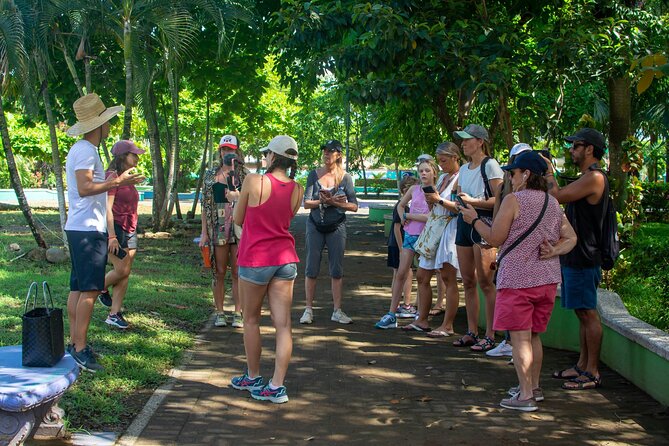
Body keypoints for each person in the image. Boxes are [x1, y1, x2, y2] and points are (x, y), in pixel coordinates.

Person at [461, 151, 577, 411]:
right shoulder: (552, 203)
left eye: (512, 173)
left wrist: (474, 220)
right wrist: (554, 250)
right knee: (534, 337)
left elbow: (495, 238)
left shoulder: (514, 200)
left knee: (520, 339)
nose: (510, 178)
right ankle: (534, 388)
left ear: (526, 175)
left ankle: (525, 396)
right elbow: (571, 238)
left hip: (517, 280)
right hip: (546, 280)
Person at [64, 93, 144, 372]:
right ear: (99, 125)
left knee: (78, 288)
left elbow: (88, 185)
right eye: (108, 121)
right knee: (89, 290)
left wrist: (112, 180)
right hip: (88, 229)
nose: (110, 125)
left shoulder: (83, 150)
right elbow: (85, 188)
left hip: (80, 227)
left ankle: (74, 342)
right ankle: (80, 348)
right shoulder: (86, 150)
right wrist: (117, 182)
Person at [230, 135, 303, 404]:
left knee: (250, 319)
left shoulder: (254, 181)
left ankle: (252, 376)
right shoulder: (298, 188)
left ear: (272, 157)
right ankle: (276, 386)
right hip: (285, 259)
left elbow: (239, 218)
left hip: (256, 258)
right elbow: (286, 218)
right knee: (283, 325)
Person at [544, 128, 608, 390]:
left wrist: (547, 170)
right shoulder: (585, 176)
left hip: (586, 255)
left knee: (588, 313)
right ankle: (582, 365)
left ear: (589, 148)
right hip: (575, 255)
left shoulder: (595, 177)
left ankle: (592, 371)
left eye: (575, 146)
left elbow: (556, 195)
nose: (571, 151)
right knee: (582, 313)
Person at [451, 124, 504, 352]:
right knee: (468, 280)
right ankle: (472, 331)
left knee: (485, 281)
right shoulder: (463, 168)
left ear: (480, 142)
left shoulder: (490, 165)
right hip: (463, 222)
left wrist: (473, 201)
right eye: (462, 141)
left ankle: (490, 334)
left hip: (483, 222)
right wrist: (461, 203)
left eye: (467, 140)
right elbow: (460, 197)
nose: (463, 144)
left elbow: (499, 201)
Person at [300, 139, 359, 325]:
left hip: (337, 227)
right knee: (311, 267)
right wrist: (322, 202)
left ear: (339, 155)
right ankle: (308, 309)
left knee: (336, 270)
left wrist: (336, 203)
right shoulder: (313, 175)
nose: (326, 154)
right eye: (324, 150)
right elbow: (306, 203)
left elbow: (354, 206)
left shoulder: (345, 178)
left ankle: (337, 310)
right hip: (315, 225)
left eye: (331, 151)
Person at [375, 159, 439, 330]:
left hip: (428, 237)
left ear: (434, 172)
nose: (424, 173)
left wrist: (409, 217)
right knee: (402, 272)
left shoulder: (436, 193)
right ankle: (391, 313)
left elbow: (431, 217)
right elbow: (401, 206)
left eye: (427, 170)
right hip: (411, 235)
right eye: (421, 170)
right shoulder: (414, 189)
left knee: (424, 275)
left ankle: (420, 311)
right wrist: (404, 216)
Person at [486, 142, 532, 358]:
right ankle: (507, 340)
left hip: (530, 255)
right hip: (507, 248)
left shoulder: (540, 191)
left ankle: (520, 349)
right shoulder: (504, 188)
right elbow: (496, 220)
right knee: (505, 293)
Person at [97, 140, 145, 329]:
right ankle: (100, 287)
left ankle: (114, 314)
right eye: (134, 154)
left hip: (130, 228)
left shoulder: (128, 177)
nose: (137, 157)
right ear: (123, 156)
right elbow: (107, 208)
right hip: (116, 228)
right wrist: (112, 236)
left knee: (125, 273)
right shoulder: (113, 177)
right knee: (121, 269)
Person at [199, 135, 243, 328]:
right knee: (219, 271)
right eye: (224, 149)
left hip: (239, 227)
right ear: (220, 151)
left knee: (238, 272)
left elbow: (253, 201)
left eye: (231, 149)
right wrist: (204, 233)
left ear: (237, 151)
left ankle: (238, 312)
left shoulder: (245, 175)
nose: (227, 153)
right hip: (217, 227)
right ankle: (219, 312)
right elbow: (204, 205)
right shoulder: (211, 175)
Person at [421, 142, 462, 338]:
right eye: (439, 161)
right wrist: (432, 201)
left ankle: (448, 325)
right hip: (437, 227)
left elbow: (459, 206)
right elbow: (437, 203)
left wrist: (438, 200)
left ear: (455, 157)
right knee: (434, 275)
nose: (441, 165)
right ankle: (427, 320)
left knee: (449, 277)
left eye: (444, 161)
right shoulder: (444, 177)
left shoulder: (460, 177)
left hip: (451, 229)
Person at [388, 176, 419, 318]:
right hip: (399, 244)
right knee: (406, 273)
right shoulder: (403, 206)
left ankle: (397, 303)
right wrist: (401, 249)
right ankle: (406, 304)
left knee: (399, 273)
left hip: (396, 244)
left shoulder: (406, 205)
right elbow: (396, 227)